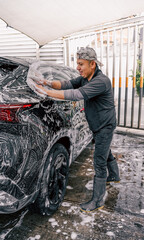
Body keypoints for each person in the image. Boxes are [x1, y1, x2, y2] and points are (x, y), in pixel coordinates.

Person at [31, 47, 120, 212]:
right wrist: (47, 83)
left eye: (81, 64)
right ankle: (115, 175)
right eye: (77, 63)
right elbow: (66, 84)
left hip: (104, 126)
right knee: (104, 150)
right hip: (97, 124)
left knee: (99, 161)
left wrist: (46, 92)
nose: (78, 67)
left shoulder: (101, 81)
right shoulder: (85, 78)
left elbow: (76, 94)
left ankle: (98, 200)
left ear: (92, 64)